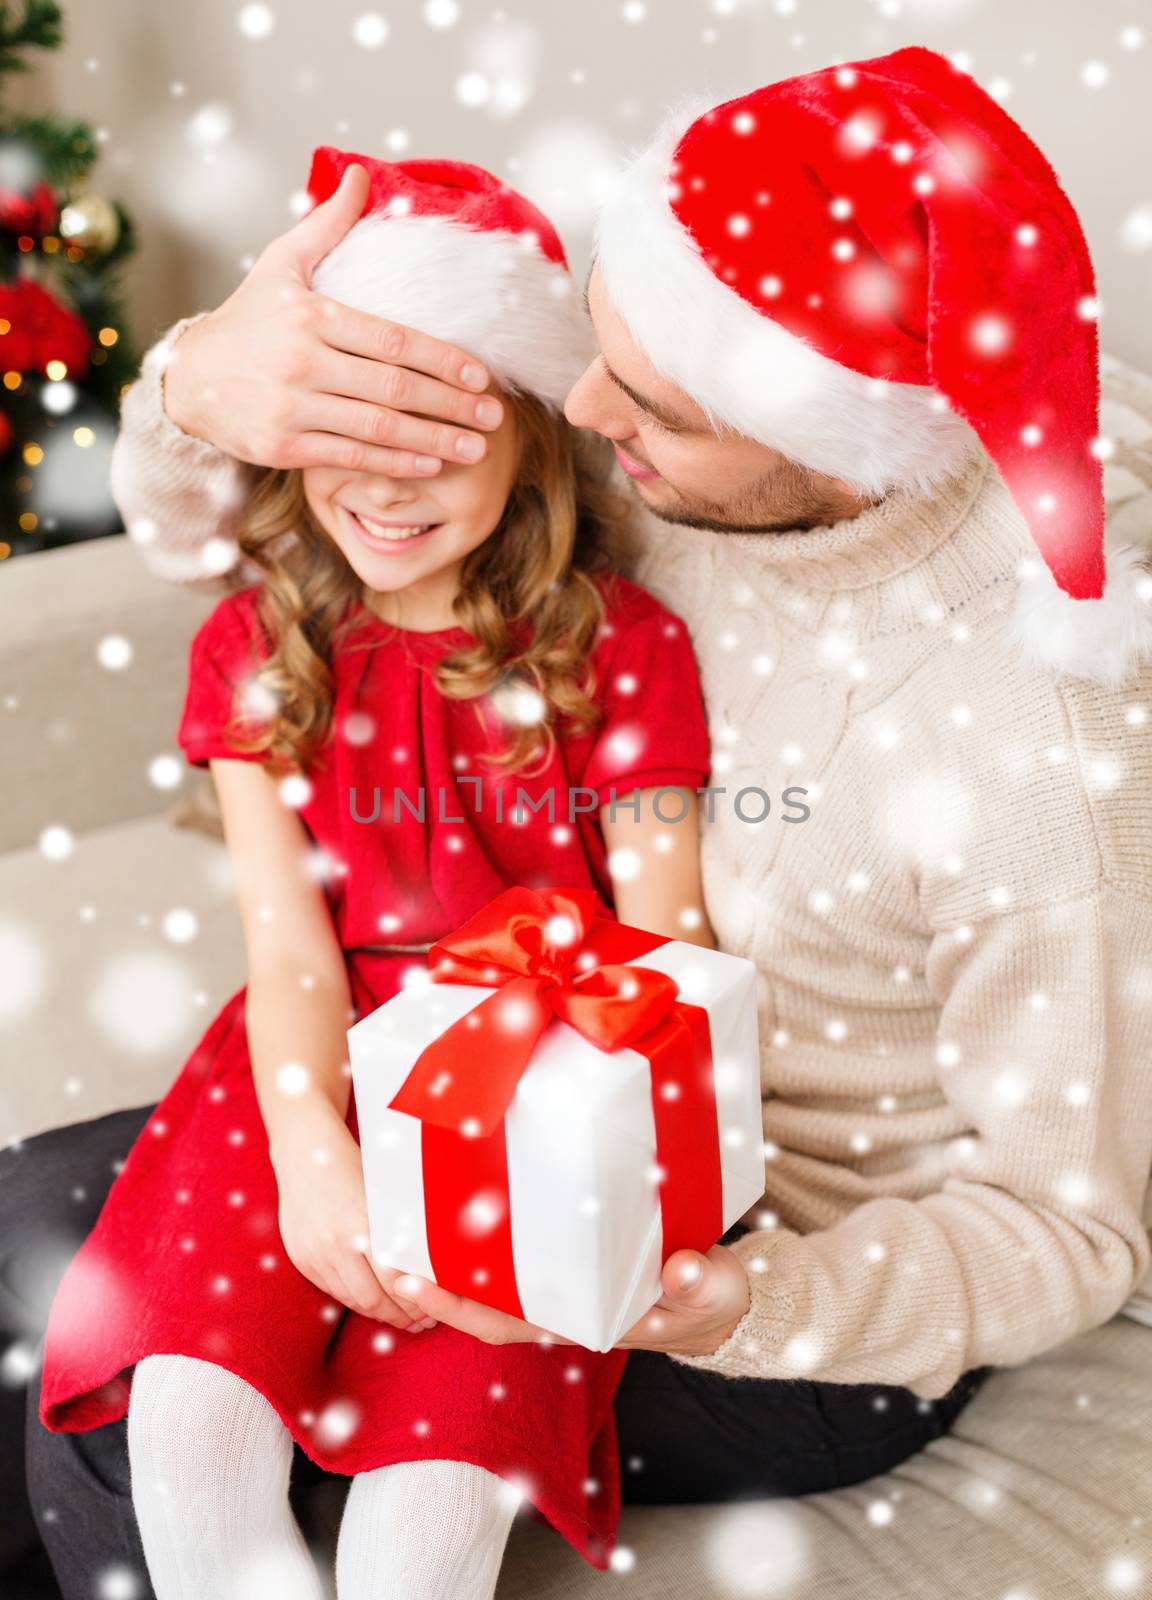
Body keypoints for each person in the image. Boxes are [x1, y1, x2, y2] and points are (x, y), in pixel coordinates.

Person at [7, 40, 1151, 1599]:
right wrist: (197, 378)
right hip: (466, 1069)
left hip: (777, 1277)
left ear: (825, 439)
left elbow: (1067, 1237)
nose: (587, 401)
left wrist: (730, 1296)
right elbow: (260, 525)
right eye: (600, 342)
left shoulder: (1035, 758)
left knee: (107, 1401)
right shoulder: (645, 460)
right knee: (32, 1250)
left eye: (655, 407)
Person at [34, 146, 723, 1600]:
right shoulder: (248, 649)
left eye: (443, 433)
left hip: (538, 1082)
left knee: (430, 1513)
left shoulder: (626, 648)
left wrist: (560, 1177)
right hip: (297, 1064)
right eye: (356, 425)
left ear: (537, 436)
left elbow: (665, 945)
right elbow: (288, 954)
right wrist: (315, 1157)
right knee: (190, 1431)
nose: (386, 485)